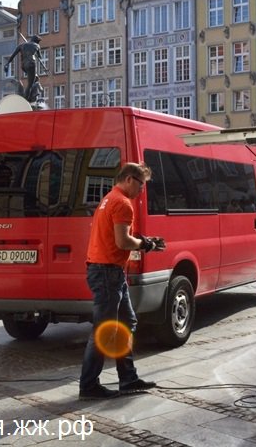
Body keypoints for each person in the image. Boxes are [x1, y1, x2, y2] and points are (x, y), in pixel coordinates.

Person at [79, 163, 161, 400]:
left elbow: (117, 237)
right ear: (129, 179)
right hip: (107, 272)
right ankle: (89, 386)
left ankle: (128, 378)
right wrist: (145, 244)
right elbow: (122, 242)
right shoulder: (123, 203)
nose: (142, 190)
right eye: (141, 185)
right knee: (103, 330)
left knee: (127, 321)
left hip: (108, 270)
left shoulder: (108, 198)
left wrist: (143, 241)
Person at [4, 36, 42, 101]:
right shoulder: (37, 45)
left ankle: (30, 96)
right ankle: (26, 100)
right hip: (31, 64)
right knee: (30, 85)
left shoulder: (21, 45)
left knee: (33, 79)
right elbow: (40, 56)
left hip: (24, 65)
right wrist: (36, 53)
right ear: (37, 41)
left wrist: (7, 63)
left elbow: (13, 55)